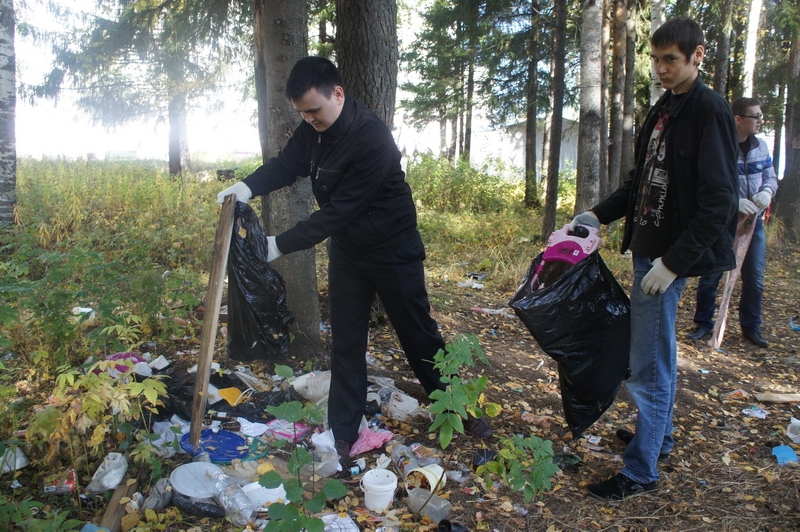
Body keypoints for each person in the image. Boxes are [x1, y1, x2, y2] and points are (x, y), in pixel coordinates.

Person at [216, 57, 492, 467]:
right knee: (346, 341)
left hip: (392, 250)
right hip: (348, 251)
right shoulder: (314, 130)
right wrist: (246, 187)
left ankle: (459, 406)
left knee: (418, 335)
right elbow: (288, 165)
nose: (308, 120)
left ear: (338, 94)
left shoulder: (373, 139)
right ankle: (344, 432)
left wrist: (278, 245)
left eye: (314, 110)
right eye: (303, 113)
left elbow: (337, 211)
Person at [570, 17, 739, 499]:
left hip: (668, 260)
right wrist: (596, 216)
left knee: (649, 365)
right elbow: (639, 183)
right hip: (648, 250)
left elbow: (720, 202)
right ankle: (657, 437)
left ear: (697, 57)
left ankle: (641, 470)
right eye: (657, 59)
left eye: (672, 60)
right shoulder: (663, 109)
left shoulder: (710, 111)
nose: (662, 69)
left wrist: (674, 263)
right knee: (651, 356)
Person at [687, 97, 778, 348]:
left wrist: (767, 192)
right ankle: (703, 323)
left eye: (760, 115)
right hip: (721, 222)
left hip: (753, 224)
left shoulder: (762, 147)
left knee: (754, 277)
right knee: (711, 273)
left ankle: (751, 327)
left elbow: (770, 176)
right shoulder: (720, 147)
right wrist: (733, 202)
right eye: (755, 116)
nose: (760, 120)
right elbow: (708, 182)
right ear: (738, 119)